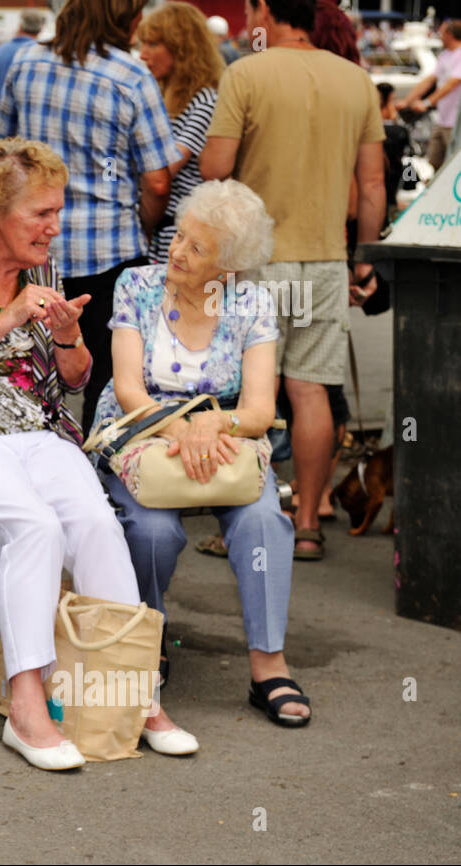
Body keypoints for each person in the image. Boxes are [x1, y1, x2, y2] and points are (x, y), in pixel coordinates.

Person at [0, 139, 198, 764]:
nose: (53, 227)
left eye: (56, 212)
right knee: (33, 527)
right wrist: (7, 319)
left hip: (40, 433)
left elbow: (72, 382)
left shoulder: (45, 270)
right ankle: (27, 704)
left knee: (94, 522)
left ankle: (134, 688)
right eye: (41, 213)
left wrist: (68, 338)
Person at [89, 179, 311, 728]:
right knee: (150, 530)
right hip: (140, 430)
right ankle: (147, 637)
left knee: (263, 520)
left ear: (228, 268)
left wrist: (215, 423)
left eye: (197, 248)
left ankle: (268, 664)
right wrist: (184, 429)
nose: (178, 252)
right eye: (179, 236)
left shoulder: (251, 303)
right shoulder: (137, 285)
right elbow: (128, 389)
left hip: (222, 433)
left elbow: (260, 409)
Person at [201, 0, 385, 561]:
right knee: (310, 392)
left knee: (249, 391)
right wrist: (363, 261)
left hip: (256, 263)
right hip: (325, 260)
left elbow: (215, 167)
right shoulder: (357, 81)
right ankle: (306, 522)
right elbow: (373, 184)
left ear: (267, 11)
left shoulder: (246, 72)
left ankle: (247, 520)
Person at [0, 0, 181, 433]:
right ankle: (97, 471)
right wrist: (145, 226)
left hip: (33, 250)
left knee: (31, 367)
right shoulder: (130, 75)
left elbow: (3, 156)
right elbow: (157, 181)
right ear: (122, 19)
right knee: (107, 372)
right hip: (110, 250)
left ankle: (37, 458)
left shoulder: (25, 62)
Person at [135, 2, 224, 264]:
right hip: (161, 235)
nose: (142, 54)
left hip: (180, 240)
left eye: (152, 44)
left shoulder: (204, 101)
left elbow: (164, 167)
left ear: (181, 49)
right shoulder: (163, 96)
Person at [398, 20, 461, 173]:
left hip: (456, 123)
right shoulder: (445, 55)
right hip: (442, 120)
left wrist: (426, 103)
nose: (439, 36)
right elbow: (429, 80)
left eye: (441, 33)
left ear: (449, 35)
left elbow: (451, 84)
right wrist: (407, 101)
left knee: (453, 167)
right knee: (434, 161)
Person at [0, 8, 46, 103]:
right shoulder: (42, 52)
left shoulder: (1, 50)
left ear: (20, 25)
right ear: (40, 29)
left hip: (4, 112)